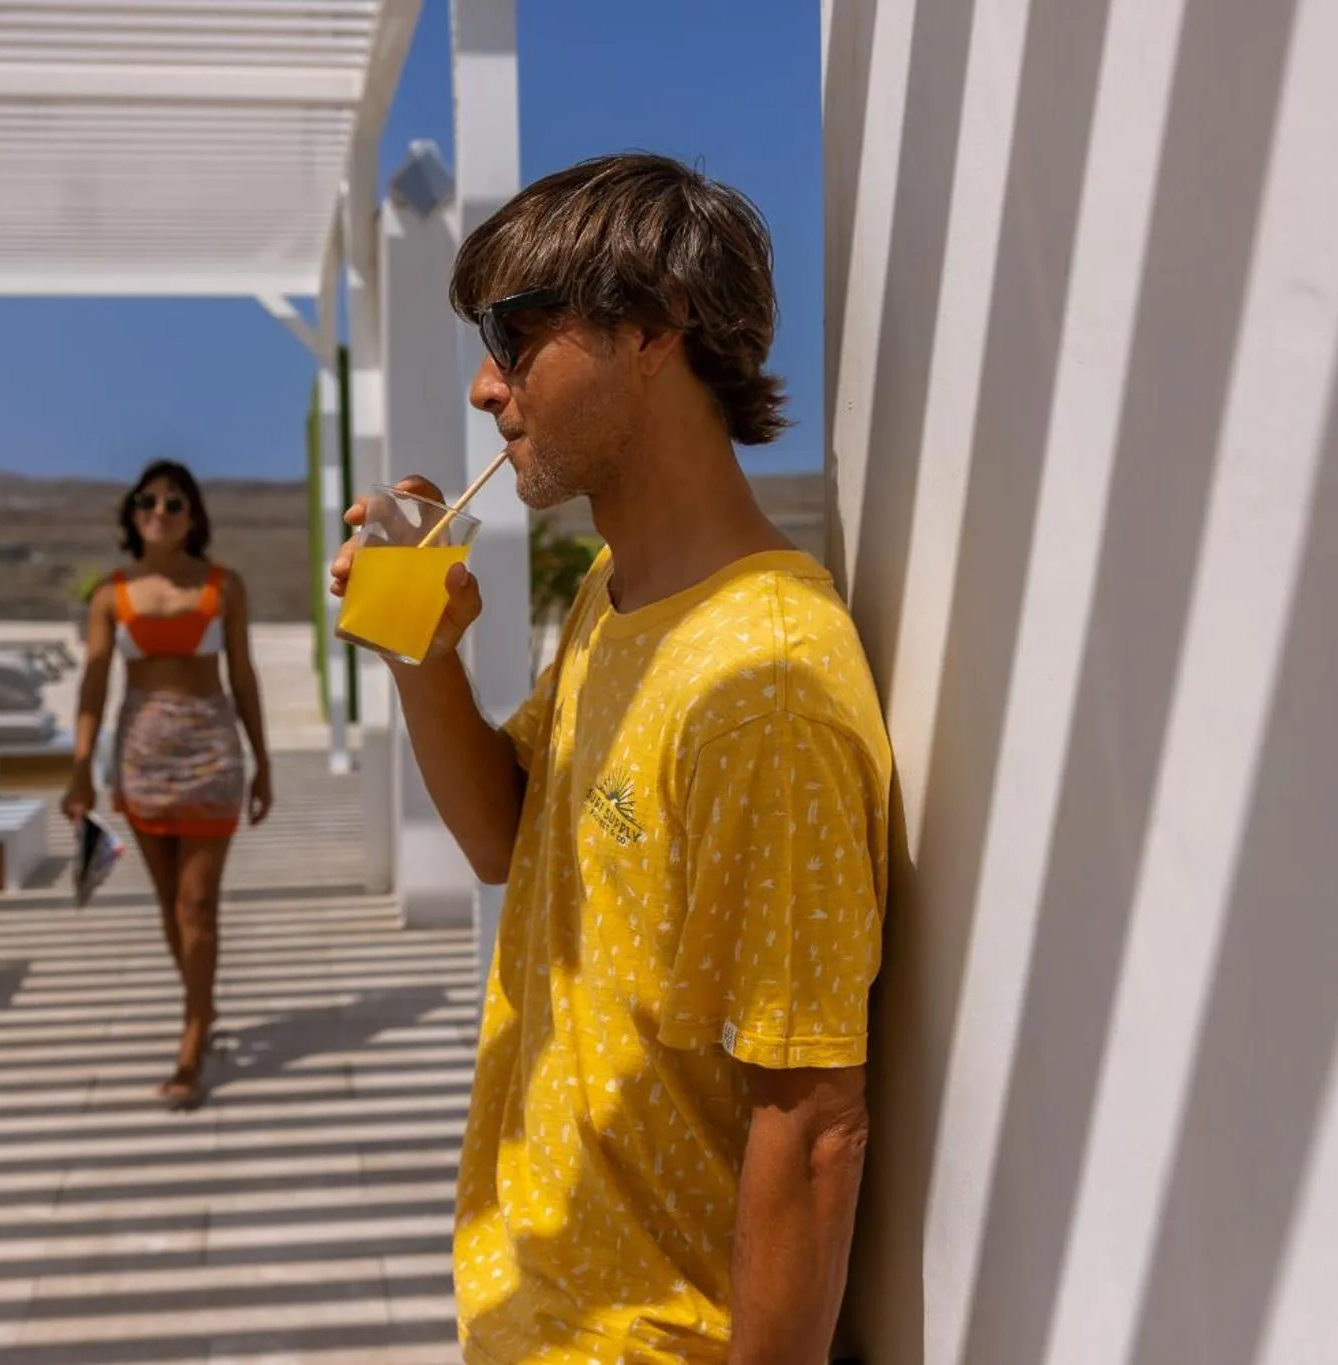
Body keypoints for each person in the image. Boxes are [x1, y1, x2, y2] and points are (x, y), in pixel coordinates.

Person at [331, 154, 892, 1362]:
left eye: (515, 335)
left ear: (654, 330)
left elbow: (812, 1129)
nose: (485, 387)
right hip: (535, 1315)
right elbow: (503, 842)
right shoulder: (617, 595)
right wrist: (421, 654)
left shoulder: (763, 690)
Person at [66, 460, 273, 1110]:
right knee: (167, 906)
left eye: (174, 502)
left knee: (195, 905)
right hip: (141, 761)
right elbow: (95, 685)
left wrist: (263, 759)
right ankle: (202, 1006)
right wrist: (79, 768)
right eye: (148, 500)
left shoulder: (223, 586)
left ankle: (193, 1035)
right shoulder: (109, 595)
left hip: (212, 754)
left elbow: (243, 674)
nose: (160, 510)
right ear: (132, 513)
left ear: (193, 517)